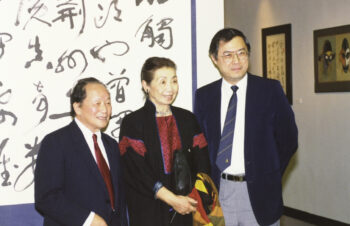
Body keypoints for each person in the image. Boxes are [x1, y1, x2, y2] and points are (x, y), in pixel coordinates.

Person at [194, 28, 298, 226]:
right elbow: (200, 145)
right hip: (219, 190)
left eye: (242, 53)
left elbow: (289, 139)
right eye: (228, 54)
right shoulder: (204, 96)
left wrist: (270, 172)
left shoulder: (270, 90)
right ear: (214, 58)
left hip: (260, 191)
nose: (236, 60)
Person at [119, 57, 211, 226]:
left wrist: (192, 198)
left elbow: (202, 162)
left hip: (187, 207)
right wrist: (171, 199)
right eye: (162, 82)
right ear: (145, 85)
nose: (170, 88)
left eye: (174, 81)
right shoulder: (133, 122)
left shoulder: (187, 119)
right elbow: (137, 171)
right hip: (149, 209)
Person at [35, 77, 128, 226]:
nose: (105, 109)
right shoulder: (56, 142)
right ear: (77, 107)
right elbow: (47, 197)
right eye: (97, 103)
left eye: (108, 103)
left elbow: (119, 200)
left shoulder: (112, 145)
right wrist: (89, 219)